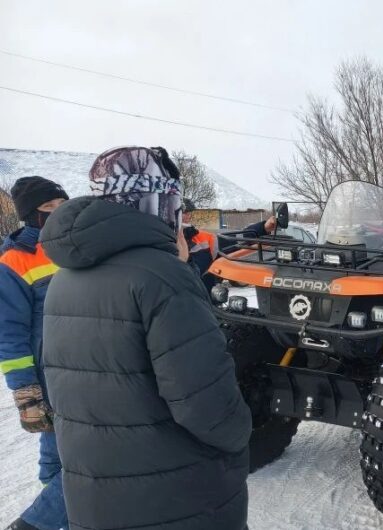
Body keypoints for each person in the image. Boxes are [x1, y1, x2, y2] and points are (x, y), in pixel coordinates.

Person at [39, 146, 252, 530]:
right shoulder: (162, 278)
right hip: (175, 499)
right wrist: (242, 432)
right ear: (160, 202)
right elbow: (206, 407)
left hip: (95, 499)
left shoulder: (64, 278)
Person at [0, 177, 69, 530]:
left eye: (62, 206)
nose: (57, 214)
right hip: (47, 374)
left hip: (80, 367)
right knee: (68, 456)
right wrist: (26, 392)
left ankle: (60, 518)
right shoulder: (14, 260)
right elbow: (9, 334)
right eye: (47, 209)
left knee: (58, 452)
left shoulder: (75, 246)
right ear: (30, 215)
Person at [181, 198, 276, 292]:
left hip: (204, 302)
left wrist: (263, 228)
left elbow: (238, 239)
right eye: (183, 212)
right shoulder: (167, 245)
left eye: (188, 212)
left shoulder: (203, 239)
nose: (188, 216)